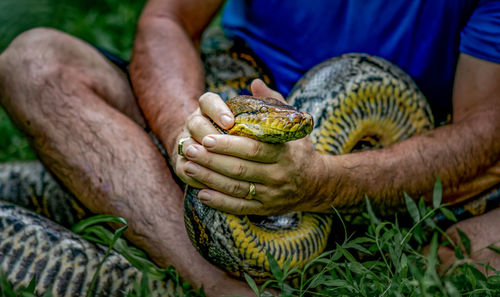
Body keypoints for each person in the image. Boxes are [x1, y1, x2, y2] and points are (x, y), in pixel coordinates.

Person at [0, 0, 499, 295]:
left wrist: (322, 184)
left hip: (394, 161)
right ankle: (223, 288)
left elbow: (485, 136)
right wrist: (187, 133)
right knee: (35, 64)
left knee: (487, 245)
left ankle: (118, 194)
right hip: (239, 94)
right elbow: (168, 18)